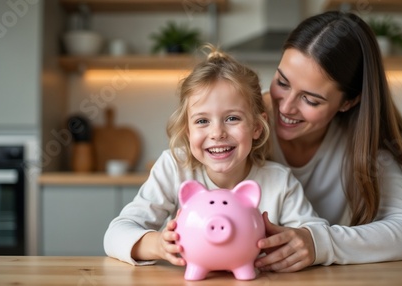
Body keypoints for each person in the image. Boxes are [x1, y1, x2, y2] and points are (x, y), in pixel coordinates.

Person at [103, 46, 328, 267]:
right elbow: (115, 234)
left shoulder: (279, 181)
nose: (217, 133)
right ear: (188, 130)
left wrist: (289, 245)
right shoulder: (174, 167)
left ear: (257, 127)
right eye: (202, 121)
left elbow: (315, 236)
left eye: (232, 118)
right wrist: (158, 245)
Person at [254, 11, 402, 272]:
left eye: (310, 100)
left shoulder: (362, 143)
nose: (286, 107)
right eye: (282, 82)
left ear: (348, 102)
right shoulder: (241, 121)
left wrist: (320, 243)